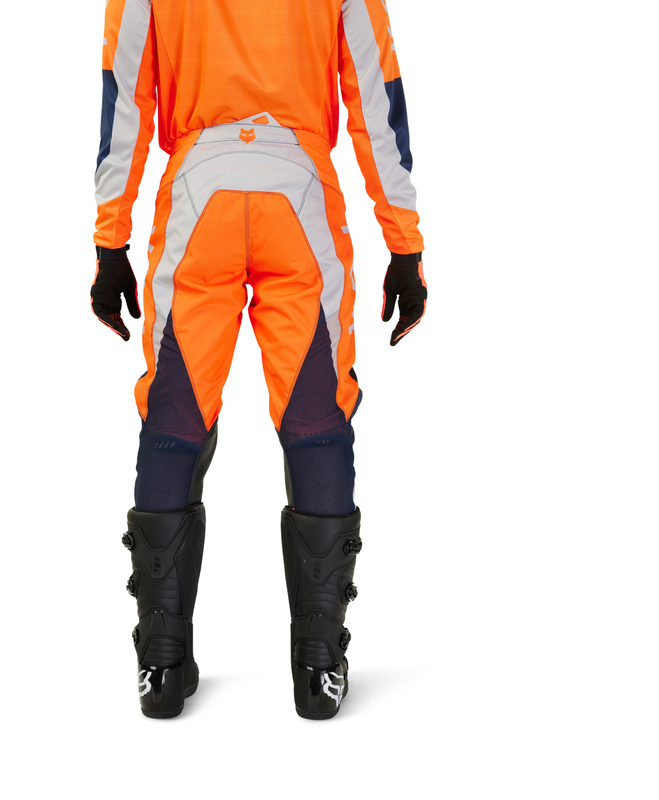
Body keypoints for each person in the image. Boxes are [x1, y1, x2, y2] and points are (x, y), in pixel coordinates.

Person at [90, 0, 427, 720]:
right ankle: (318, 668)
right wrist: (404, 242)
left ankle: (161, 665)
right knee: (316, 419)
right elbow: (375, 95)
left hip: (197, 193)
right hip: (299, 194)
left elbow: (124, 92)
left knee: (174, 416)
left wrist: (109, 241)